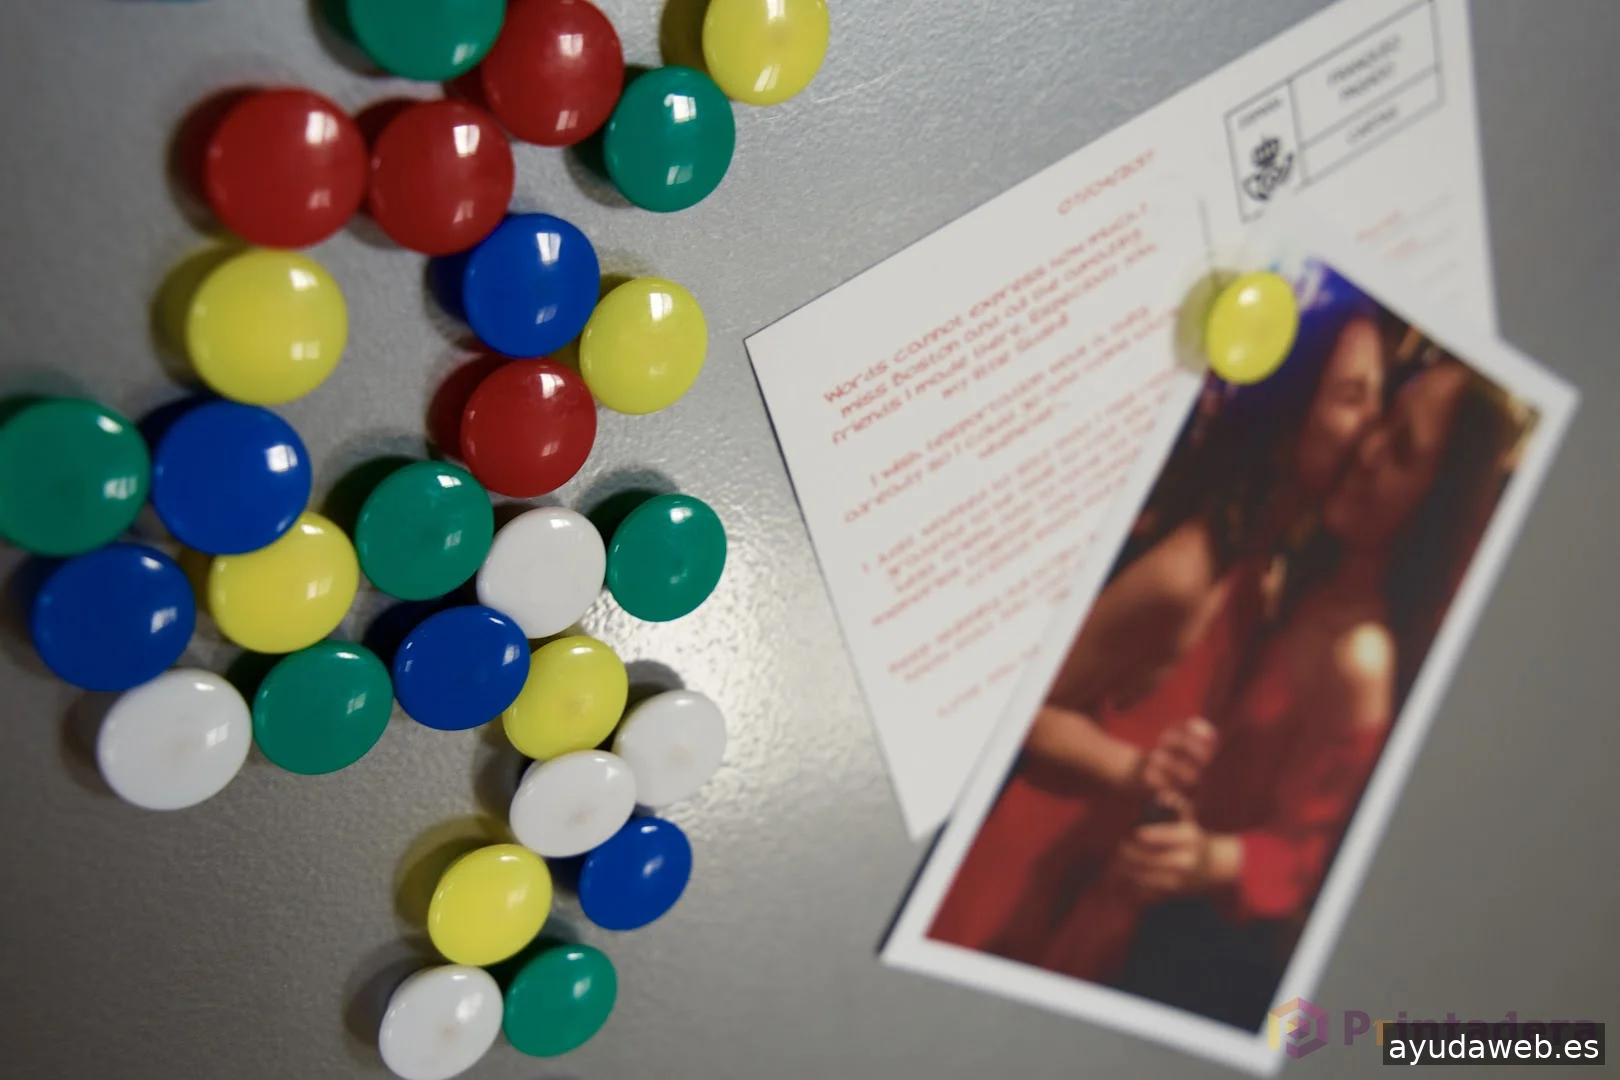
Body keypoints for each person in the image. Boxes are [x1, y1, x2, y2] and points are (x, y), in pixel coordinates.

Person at [927, 272, 1387, 959]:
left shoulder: (1259, 573)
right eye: (1353, 397)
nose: (1372, 428)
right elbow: (1008, 708)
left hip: (1068, 900)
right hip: (998, 897)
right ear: (1294, 408)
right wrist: (1135, 770)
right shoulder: (1188, 572)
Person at [1080, 356, 1522, 1030]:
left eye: (1402, 452)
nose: (1368, 451)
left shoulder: (1361, 659)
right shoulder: (1311, 573)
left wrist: (1212, 859)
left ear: (1433, 502)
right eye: (1384, 420)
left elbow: (1303, 856)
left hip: (1193, 952)